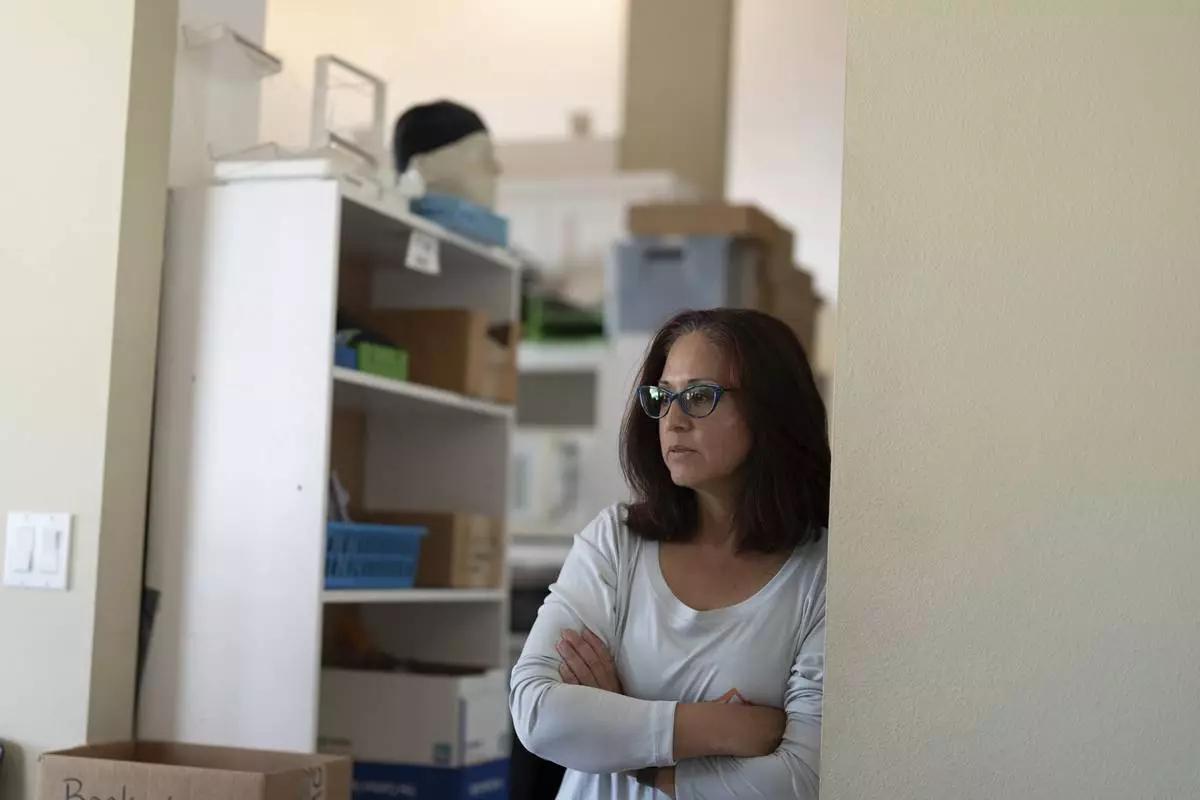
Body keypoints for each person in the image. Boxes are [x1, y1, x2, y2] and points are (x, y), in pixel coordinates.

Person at [510, 308, 830, 799]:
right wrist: (724, 727)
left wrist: (626, 740)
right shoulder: (615, 540)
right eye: (663, 396)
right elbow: (536, 711)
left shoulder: (822, 571)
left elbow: (799, 781)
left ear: (772, 409)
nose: (673, 419)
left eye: (700, 396)